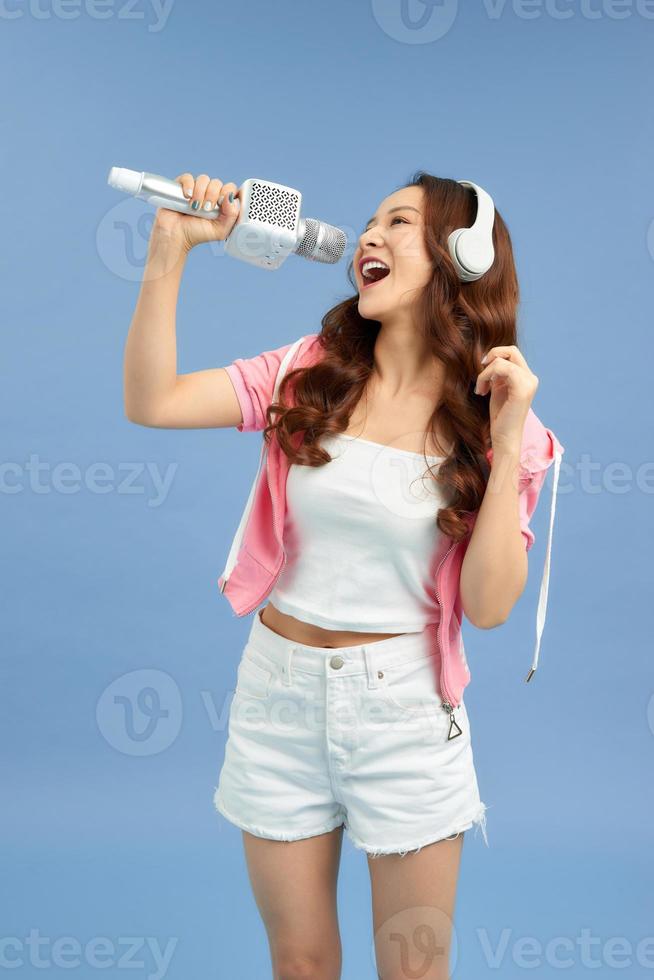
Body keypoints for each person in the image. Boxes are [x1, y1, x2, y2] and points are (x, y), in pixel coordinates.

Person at [123, 171, 563, 980]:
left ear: (461, 258)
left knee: (413, 969)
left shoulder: (505, 422)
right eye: (368, 222)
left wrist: (505, 447)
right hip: (276, 693)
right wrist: (169, 248)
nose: (368, 236)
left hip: (401, 709)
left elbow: (491, 607)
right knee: (300, 963)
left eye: (398, 224)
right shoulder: (309, 369)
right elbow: (152, 401)